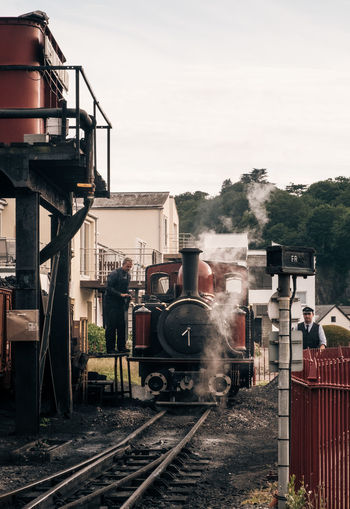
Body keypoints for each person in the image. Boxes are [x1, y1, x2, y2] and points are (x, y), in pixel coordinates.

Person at [104, 257, 133, 354]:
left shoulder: (128, 276)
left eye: (130, 267)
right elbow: (109, 288)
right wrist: (120, 294)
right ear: (123, 264)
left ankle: (121, 347)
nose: (129, 268)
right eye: (127, 266)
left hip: (120, 304)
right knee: (111, 326)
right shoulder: (114, 274)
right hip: (111, 304)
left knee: (121, 326)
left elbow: (125, 288)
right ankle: (110, 349)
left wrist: (128, 294)